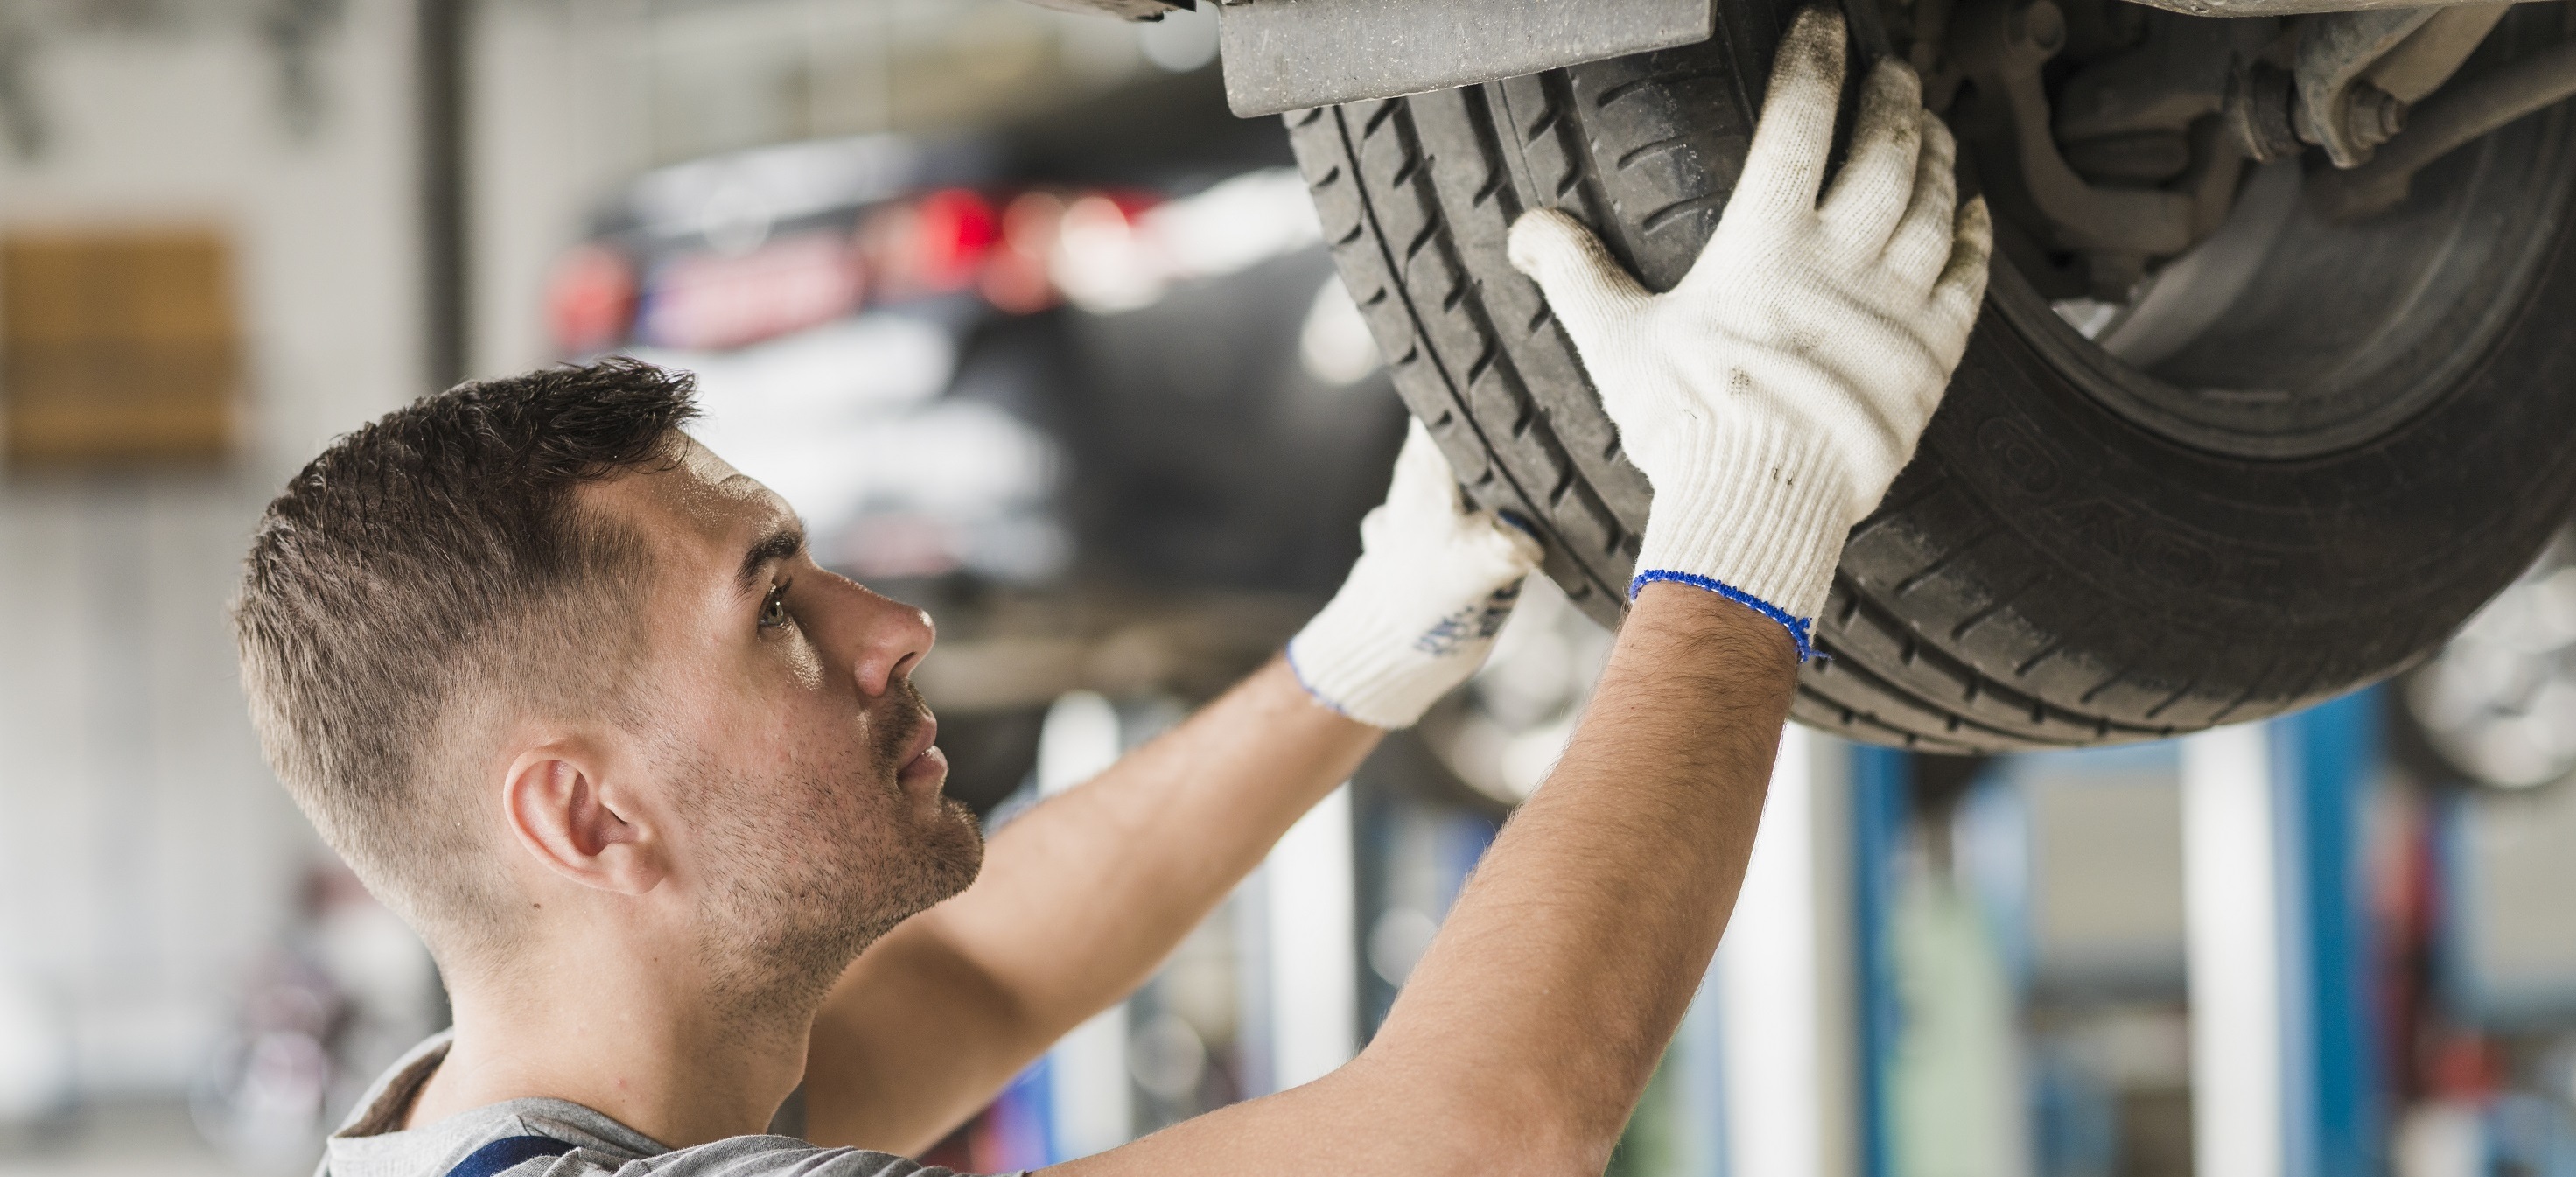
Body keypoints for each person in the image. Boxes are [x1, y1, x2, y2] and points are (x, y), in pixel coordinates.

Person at [230, 10, 1988, 1176]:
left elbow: (977, 978)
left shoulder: (524, 1124)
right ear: (585, 816)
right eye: (773, 611)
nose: (890, 625)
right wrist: (1752, 518)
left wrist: (1360, 654)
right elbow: (1475, 1131)